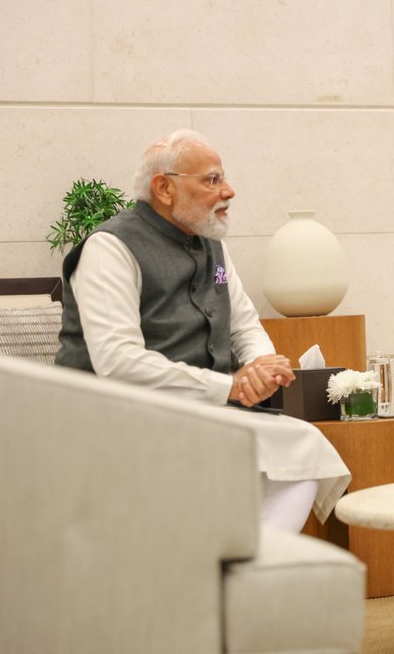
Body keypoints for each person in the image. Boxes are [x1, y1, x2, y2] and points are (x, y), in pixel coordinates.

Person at [55, 129, 350, 532]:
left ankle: (243, 565)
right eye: (212, 180)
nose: (228, 191)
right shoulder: (110, 247)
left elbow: (243, 324)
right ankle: (231, 566)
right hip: (115, 418)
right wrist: (228, 386)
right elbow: (117, 361)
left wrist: (262, 365)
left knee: (303, 452)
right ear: (164, 188)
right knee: (294, 450)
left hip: (198, 412)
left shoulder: (213, 245)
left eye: (223, 178)